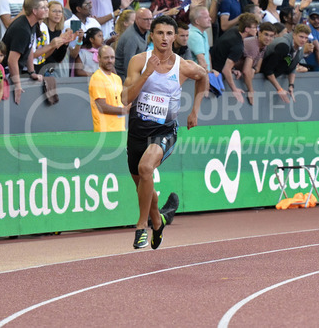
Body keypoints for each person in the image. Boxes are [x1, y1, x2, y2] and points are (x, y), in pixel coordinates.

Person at [121, 15, 207, 249]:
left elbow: (203, 77)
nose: (165, 38)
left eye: (169, 34)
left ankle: (142, 226)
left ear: (175, 37)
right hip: (137, 132)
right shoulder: (139, 62)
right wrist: (147, 73)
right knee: (143, 184)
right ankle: (158, 222)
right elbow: (125, 99)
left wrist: (195, 111)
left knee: (145, 168)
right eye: (160, 33)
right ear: (152, 35)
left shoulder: (183, 66)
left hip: (165, 131)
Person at [1, 0, 45, 104]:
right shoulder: (22, 29)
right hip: (3, 72)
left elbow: (29, 48)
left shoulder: (32, 24)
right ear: (34, 11)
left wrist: (32, 72)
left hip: (13, 71)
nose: (46, 10)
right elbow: (12, 60)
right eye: (43, 8)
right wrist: (17, 85)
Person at [210, 13, 260, 103]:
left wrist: (232, 69)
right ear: (247, 29)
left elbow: (224, 55)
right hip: (215, 71)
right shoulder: (238, 46)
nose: (257, 30)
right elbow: (226, 70)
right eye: (255, 27)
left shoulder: (234, 30)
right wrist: (234, 89)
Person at [260, 24, 313, 103]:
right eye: (301, 37)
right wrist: (280, 89)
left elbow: (293, 67)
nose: (303, 40)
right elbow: (268, 70)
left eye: (306, 38)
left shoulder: (300, 48)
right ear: (294, 35)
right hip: (262, 69)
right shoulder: (283, 45)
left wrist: (291, 85)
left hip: (275, 72)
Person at [89, 45, 130, 132]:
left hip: (120, 128)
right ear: (99, 58)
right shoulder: (97, 78)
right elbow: (102, 107)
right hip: (104, 130)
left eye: (112, 57)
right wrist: (124, 110)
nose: (110, 61)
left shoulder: (117, 78)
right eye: (106, 58)